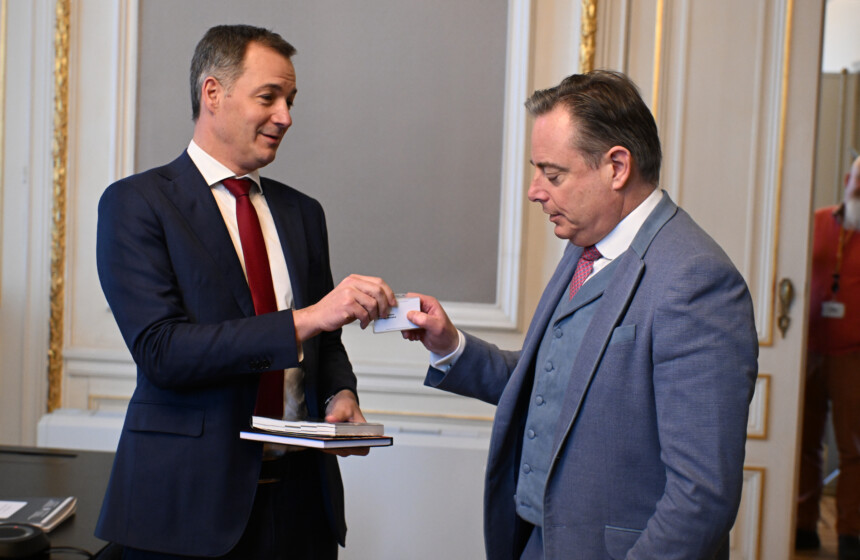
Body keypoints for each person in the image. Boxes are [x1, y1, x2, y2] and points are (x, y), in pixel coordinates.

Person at [402, 70, 759, 559]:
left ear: (616, 167)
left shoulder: (697, 281)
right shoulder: (586, 243)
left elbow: (702, 496)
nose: (533, 191)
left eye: (552, 174)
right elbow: (553, 383)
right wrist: (451, 346)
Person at [94, 24, 396, 560]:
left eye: (291, 100)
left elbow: (326, 344)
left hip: (302, 509)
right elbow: (164, 353)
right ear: (213, 93)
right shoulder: (136, 204)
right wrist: (305, 318)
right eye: (269, 97)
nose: (286, 116)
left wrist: (339, 395)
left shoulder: (303, 213)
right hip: (183, 514)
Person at [796, 155, 860, 559]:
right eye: (859, 181)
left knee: (854, 449)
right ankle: (802, 525)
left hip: (854, 355)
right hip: (808, 350)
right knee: (804, 440)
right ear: (847, 179)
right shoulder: (816, 221)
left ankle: (851, 532)